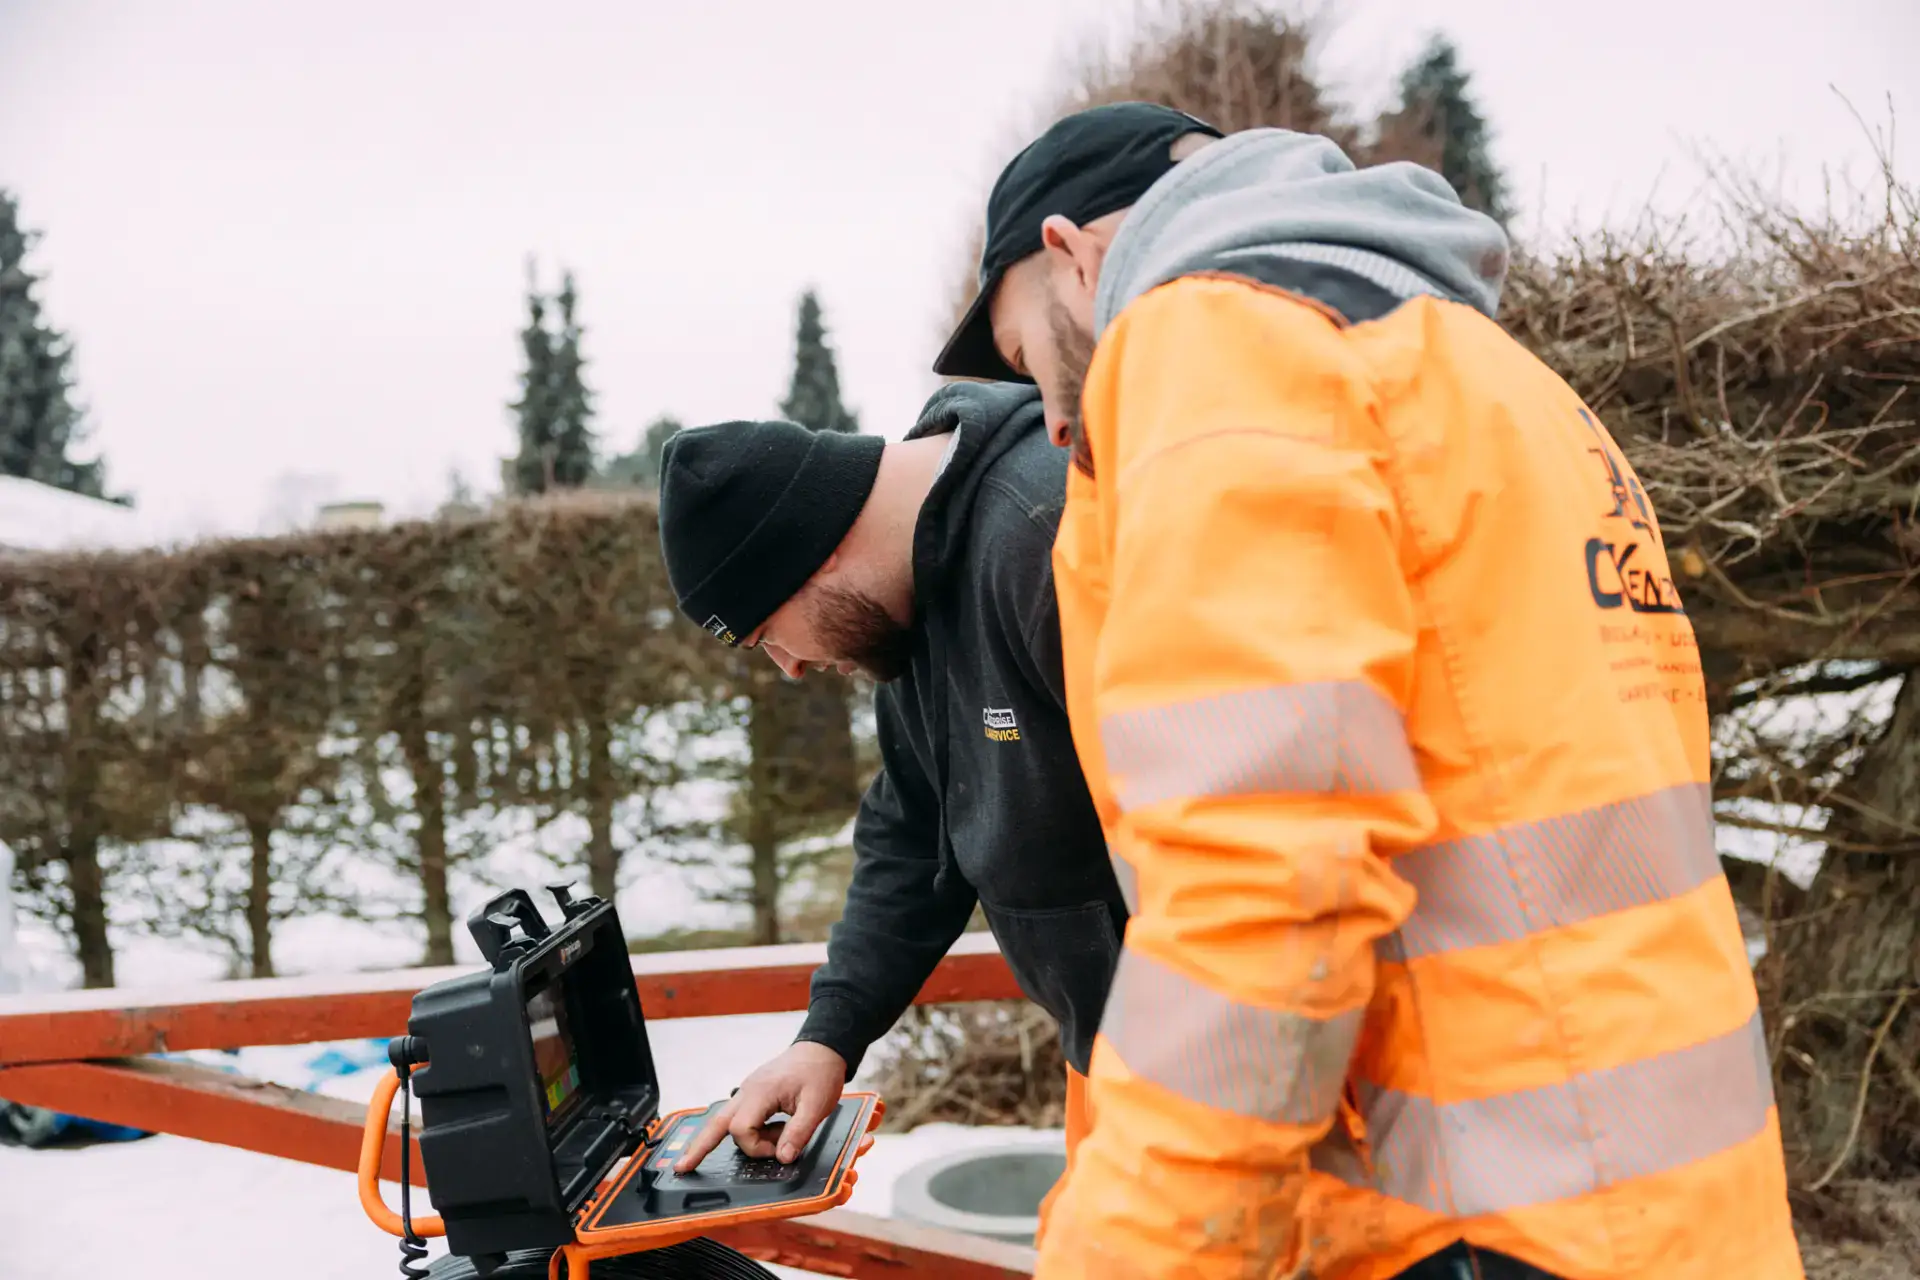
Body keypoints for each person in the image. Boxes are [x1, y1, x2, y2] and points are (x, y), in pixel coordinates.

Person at [933, 101, 1802, 1280]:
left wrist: (1129, 1254)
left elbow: (1264, 880)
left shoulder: (1214, 340)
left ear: (1074, 254)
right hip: (1680, 1189)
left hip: (1491, 1212)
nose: (1045, 416)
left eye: (1031, 354)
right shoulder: (1485, 371)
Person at [654, 381, 1121, 1221]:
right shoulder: (912, 605)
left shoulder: (1046, 536)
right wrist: (829, 1036)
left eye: (767, 635)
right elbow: (912, 832)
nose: (791, 668)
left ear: (815, 552)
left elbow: (1222, 824)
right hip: (1115, 1057)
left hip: (1226, 1056)